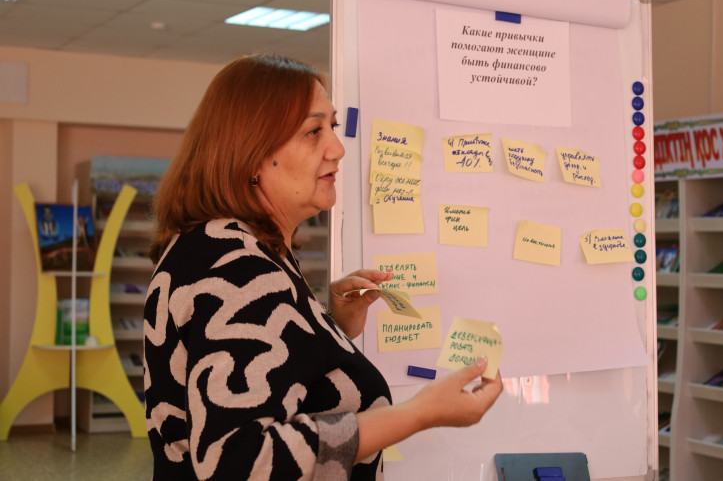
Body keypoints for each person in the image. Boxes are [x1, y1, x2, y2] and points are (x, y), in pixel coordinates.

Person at [143, 54, 503, 481]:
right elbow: (240, 460)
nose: (337, 148)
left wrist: (327, 329)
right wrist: (418, 414)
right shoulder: (237, 265)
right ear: (252, 154)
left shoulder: (224, 247)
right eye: (314, 131)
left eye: (332, 126)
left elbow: (270, 383)